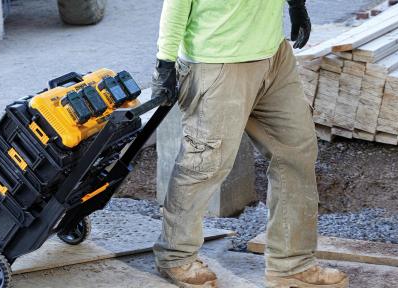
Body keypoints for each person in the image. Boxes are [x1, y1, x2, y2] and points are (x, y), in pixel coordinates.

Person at [150, 1, 349, 287]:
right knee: (205, 163)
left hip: (273, 56)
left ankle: (291, 265)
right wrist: (165, 62)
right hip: (217, 60)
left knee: (295, 151)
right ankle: (176, 257)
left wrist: (296, 4)